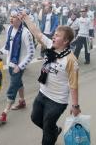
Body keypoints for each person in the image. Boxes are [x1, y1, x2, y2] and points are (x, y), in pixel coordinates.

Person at [22, 12, 81, 145]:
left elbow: (74, 84)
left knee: (47, 127)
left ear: (65, 41)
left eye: (57, 36)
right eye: (54, 35)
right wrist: (26, 18)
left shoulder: (71, 60)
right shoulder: (50, 45)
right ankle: (54, 131)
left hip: (57, 100)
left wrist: (75, 105)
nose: (53, 37)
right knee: (35, 118)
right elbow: (37, 32)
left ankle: (50, 134)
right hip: (43, 93)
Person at [0, 10, 35, 123]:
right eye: (10, 17)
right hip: (11, 63)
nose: (11, 19)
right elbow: (8, 46)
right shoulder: (10, 29)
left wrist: (21, 66)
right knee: (18, 82)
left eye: (14, 17)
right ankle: (22, 101)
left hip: (18, 66)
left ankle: (4, 114)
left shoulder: (26, 34)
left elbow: (31, 53)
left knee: (12, 88)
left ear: (20, 19)